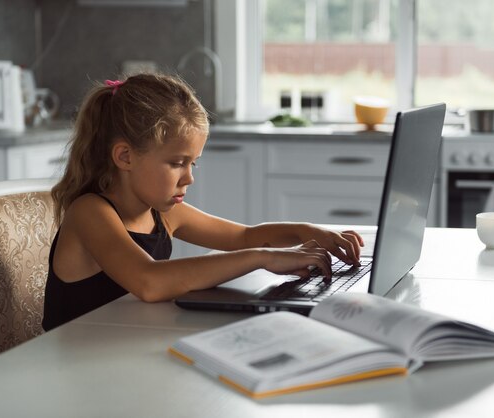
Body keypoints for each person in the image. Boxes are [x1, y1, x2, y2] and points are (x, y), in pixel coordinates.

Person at [42, 73, 364, 331]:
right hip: (74, 366)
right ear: (125, 157)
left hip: (124, 349)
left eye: (192, 164)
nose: (189, 178)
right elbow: (149, 281)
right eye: (177, 163)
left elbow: (243, 237)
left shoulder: (162, 213)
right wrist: (263, 257)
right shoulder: (90, 212)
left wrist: (308, 231)